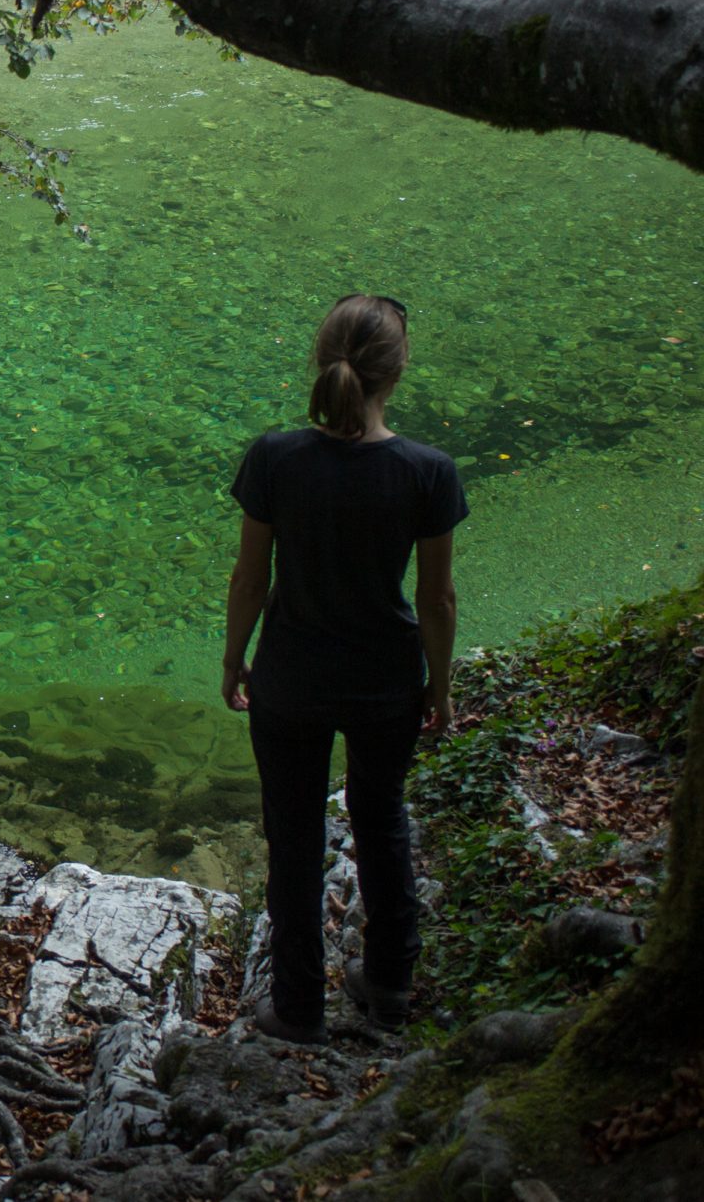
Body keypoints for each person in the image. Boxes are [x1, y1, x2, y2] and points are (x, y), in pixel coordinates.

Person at [222, 293, 467, 1044]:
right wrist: (441, 686)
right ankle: (389, 984)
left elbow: (251, 577)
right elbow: (436, 599)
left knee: (292, 836)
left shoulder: (275, 457)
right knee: (380, 818)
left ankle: (298, 1007)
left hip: (290, 678)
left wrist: (234, 659)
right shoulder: (428, 471)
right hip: (386, 679)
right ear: (397, 374)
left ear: (319, 360)